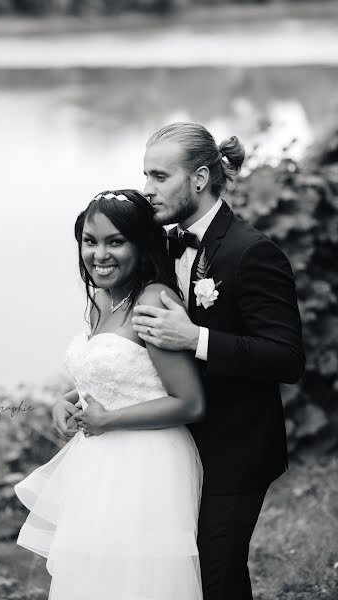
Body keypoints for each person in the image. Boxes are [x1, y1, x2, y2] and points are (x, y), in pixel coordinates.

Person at [53, 123, 305, 600]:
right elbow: (136, 348)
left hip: (235, 449)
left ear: (200, 178)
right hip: (169, 449)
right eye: (145, 175)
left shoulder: (252, 252)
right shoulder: (163, 246)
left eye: (160, 176)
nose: (148, 190)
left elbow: (287, 358)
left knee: (214, 574)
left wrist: (198, 337)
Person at [15, 189, 206, 600]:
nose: (99, 254)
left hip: (148, 463)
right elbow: (122, 369)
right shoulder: (103, 298)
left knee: (137, 579)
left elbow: (189, 402)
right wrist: (67, 398)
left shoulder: (153, 301)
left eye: (115, 241)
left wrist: (106, 420)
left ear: (141, 245)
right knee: (93, 576)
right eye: (90, 240)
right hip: (98, 462)